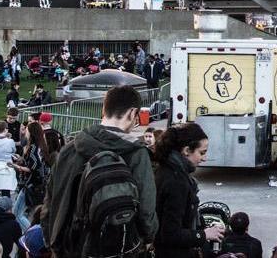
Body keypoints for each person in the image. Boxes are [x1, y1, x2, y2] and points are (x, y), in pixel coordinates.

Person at [43, 85, 158, 258]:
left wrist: (51, 239)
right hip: (113, 248)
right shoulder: (135, 154)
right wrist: (148, 238)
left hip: (68, 245)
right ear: (132, 113)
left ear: (104, 109)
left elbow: (50, 200)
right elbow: (146, 209)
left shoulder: (70, 149)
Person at [152, 123, 225, 256]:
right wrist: (204, 234)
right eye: (201, 152)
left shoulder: (164, 170)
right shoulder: (176, 181)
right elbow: (170, 234)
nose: (204, 158)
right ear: (186, 151)